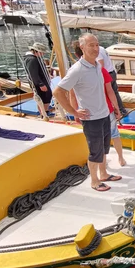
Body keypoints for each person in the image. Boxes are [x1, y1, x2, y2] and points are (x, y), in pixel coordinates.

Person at [53, 33, 122, 192]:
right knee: (95, 151)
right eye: (91, 45)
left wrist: (114, 106)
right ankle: (95, 181)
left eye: (97, 45)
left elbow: (105, 90)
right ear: (82, 47)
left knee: (104, 148)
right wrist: (74, 112)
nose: (95, 48)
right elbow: (58, 92)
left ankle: (104, 174)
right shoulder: (77, 70)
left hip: (104, 114)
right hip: (92, 119)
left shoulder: (97, 65)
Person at [71, 40, 127, 167]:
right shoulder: (100, 70)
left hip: (90, 112)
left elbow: (72, 94)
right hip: (105, 109)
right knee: (113, 135)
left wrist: (74, 112)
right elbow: (110, 91)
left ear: (76, 54)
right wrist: (117, 107)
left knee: (96, 140)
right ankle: (120, 158)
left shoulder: (76, 70)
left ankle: (102, 168)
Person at [97, 45, 128, 116]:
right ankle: (122, 110)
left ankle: (115, 111)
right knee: (115, 92)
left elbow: (101, 64)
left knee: (108, 92)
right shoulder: (102, 48)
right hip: (112, 72)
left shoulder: (97, 51)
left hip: (107, 74)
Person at [23, 42, 53, 116]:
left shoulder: (35, 58)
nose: (43, 54)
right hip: (39, 82)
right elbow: (33, 74)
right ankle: (44, 112)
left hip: (42, 80)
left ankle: (44, 111)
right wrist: (41, 84)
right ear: (36, 51)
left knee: (46, 96)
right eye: (41, 52)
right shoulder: (32, 60)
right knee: (44, 97)